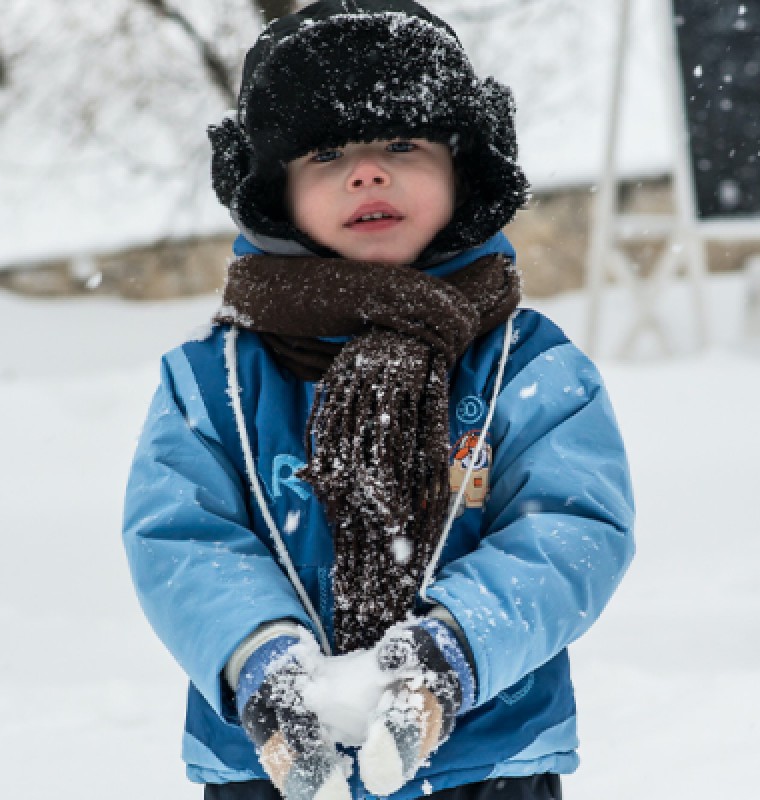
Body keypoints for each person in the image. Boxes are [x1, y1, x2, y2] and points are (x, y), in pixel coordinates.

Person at [122, 2, 635, 799]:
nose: (367, 172)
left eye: (402, 143)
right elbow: (182, 540)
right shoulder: (213, 382)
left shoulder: (526, 364)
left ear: (463, 166)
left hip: (482, 757)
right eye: (326, 153)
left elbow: (571, 533)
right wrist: (262, 662)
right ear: (275, 194)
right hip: (278, 765)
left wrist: (450, 651)